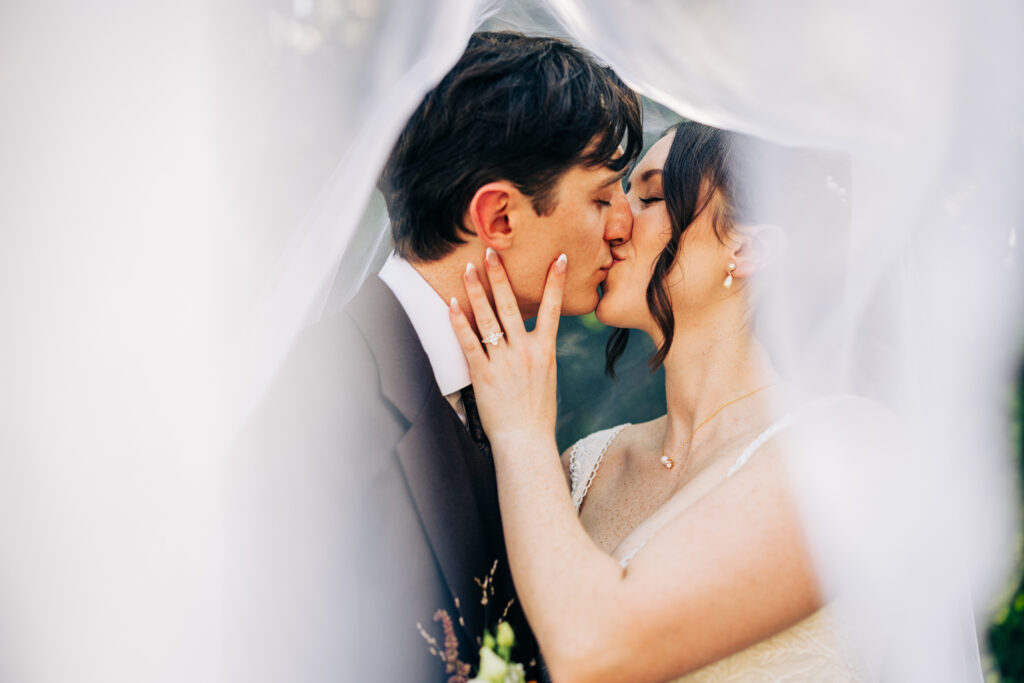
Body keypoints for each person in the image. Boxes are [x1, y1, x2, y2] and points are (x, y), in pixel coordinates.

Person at [225, 31, 642, 683]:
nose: (625, 224)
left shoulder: (506, 400)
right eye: (601, 197)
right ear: (499, 217)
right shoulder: (311, 400)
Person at [449, 121, 880, 681]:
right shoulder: (585, 467)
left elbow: (592, 649)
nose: (615, 221)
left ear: (747, 248)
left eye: (650, 196)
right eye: (617, 195)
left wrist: (523, 432)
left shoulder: (840, 449)